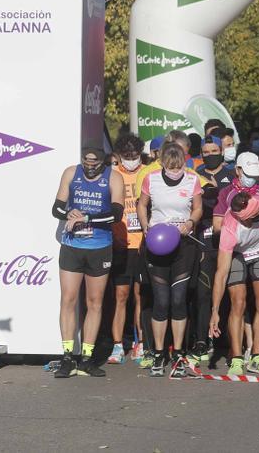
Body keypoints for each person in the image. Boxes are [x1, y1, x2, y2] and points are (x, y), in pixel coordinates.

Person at [52, 146, 124, 378]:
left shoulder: (113, 177)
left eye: (95, 163)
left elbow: (117, 214)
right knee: (68, 300)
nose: (90, 167)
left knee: (94, 302)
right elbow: (56, 208)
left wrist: (87, 217)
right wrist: (69, 214)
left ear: (103, 161)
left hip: (99, 247)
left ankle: (86, 358)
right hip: (73, 246)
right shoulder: (71, 173)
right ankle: (67, 357)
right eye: (87, 162)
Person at [139, 143, 204, 378]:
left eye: (178, 167)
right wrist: (145, 225)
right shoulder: (151, 178)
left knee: (178, 300)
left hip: (183, 245)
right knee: (161, 301)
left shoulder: (192, 180)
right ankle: (158, 353)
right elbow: (142, 204)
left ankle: (177, 352)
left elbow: (197, 208)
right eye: (170, 167)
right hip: (157, 244)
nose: (175, 171)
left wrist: (190, 223)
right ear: (163, 163)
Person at [208, 192, 259, 376]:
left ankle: (257, 356)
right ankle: (237, 358)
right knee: (238, 303)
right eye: (254, 217)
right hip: (238, 254)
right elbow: (221, 273)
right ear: (242, 218)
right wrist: (215, 310)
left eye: (258, 213)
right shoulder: (230, 229)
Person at [189, 134, 234, 365]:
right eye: (205, 152)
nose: (210, 155)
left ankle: (227, 340)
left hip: (229, 241)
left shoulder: (232, 174)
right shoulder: (196, 175)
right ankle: (201, 340)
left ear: (222, 151)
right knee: (203, 292)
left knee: (230, 293)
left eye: (214, 151)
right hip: (203, 241)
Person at [109, 135, 145, 365]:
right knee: (120, 296)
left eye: (135, 156)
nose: (131, 161)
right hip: (120, 243)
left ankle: (140, 343)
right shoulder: (113, 175)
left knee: (140, 296)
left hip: (143, 243)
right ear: (120, 156)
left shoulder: (149, 173)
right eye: (127, 157)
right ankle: (117, 345)